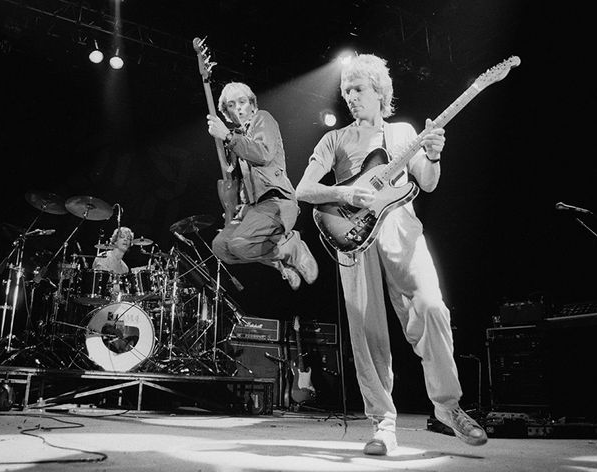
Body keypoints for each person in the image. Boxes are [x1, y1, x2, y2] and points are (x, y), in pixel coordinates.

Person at [295, 54, 487, 455]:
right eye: (346, 90)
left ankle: (449, 407)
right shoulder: (335, 139)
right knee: (367, 332)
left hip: (400, 228)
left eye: (358, 89)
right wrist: (344, 193)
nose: (349, 96)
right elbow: (303, 189)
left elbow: (428, 183)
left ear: (380, 91)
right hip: (352, 232)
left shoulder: (404, 133)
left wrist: (432, 154)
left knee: (432, 308)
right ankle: (382, 425)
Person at [206, 82, 317, 290]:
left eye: (242, 101)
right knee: (221, 247)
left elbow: (263, 154)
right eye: (231, 105)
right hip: (252, 209)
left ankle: (292, 246)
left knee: (239, 243)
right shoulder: (236, 140)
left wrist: (228, 137)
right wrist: (235, 206)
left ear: (252, 104)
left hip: (276, 201)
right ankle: (282, 263)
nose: (238, 108)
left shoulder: (262, 118)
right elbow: (237, 180)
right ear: (226, 112)